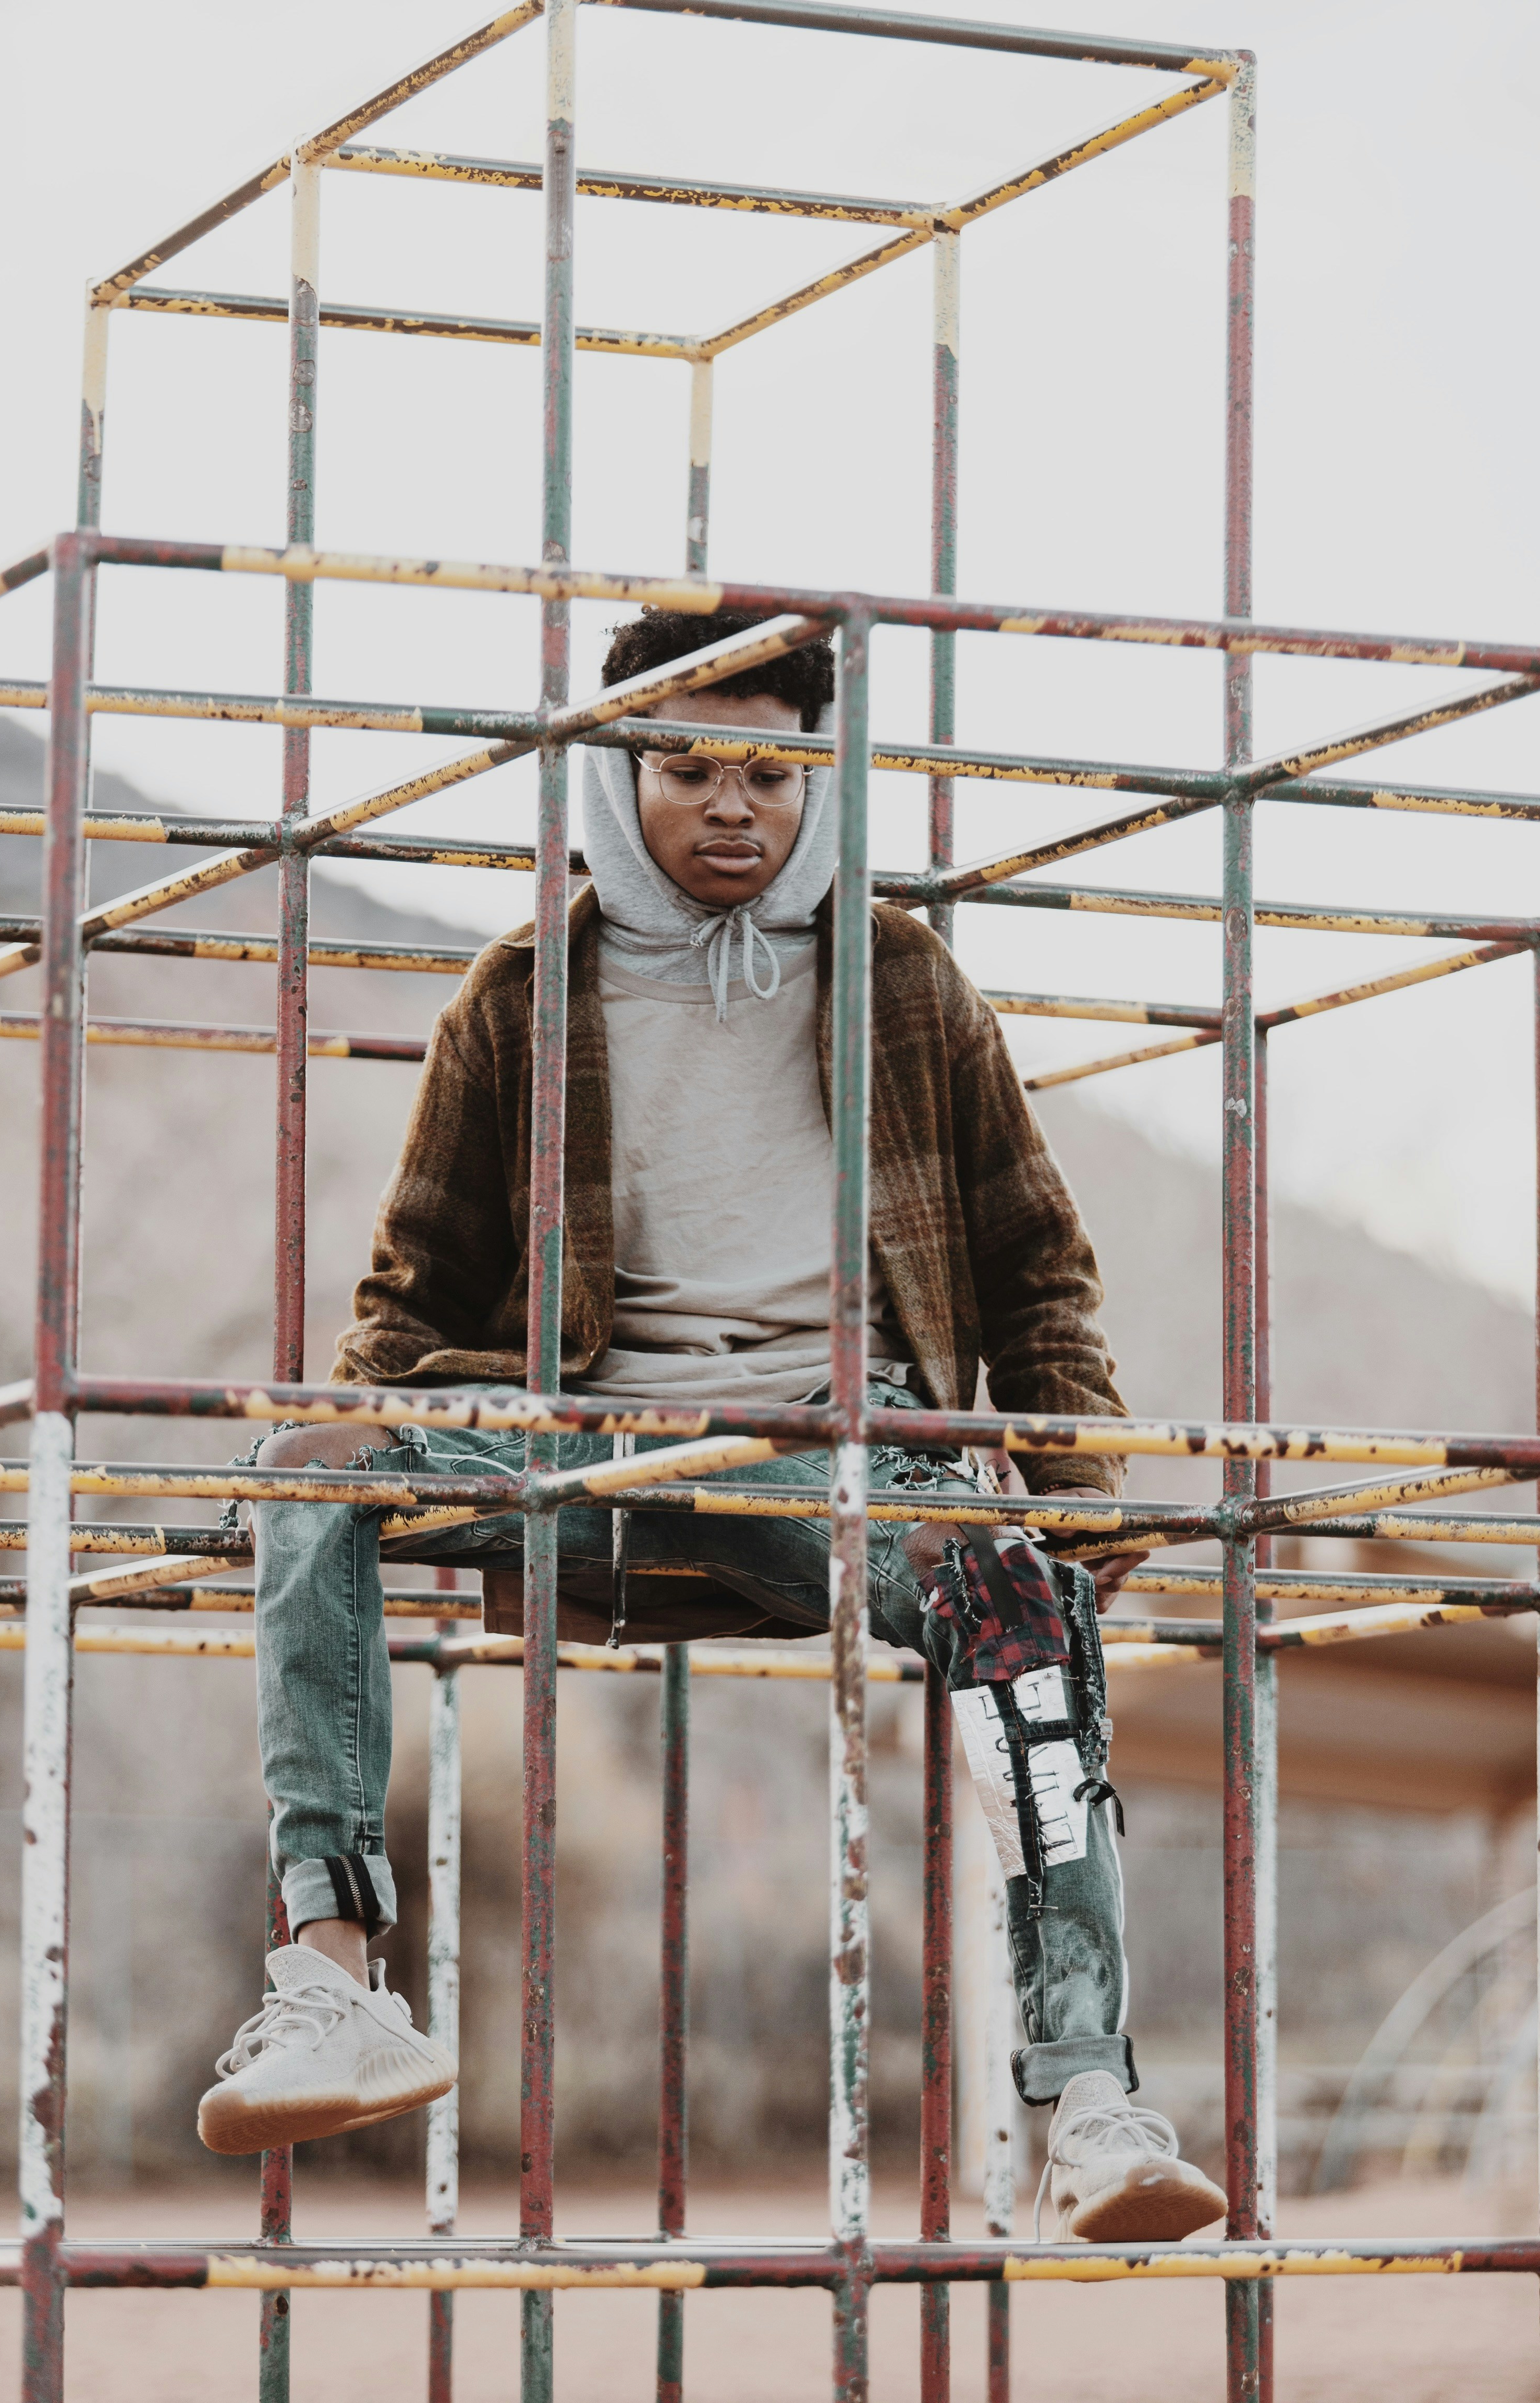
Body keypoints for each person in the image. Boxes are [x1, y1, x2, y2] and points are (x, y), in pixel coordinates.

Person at [197, 611, 1228, 2244]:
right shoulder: (529, 993)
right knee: (310, 1453)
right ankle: (335, 1981)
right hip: (587, 1444)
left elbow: (1038, 1259)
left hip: (842, 1457)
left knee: (1025, 1587)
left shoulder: (898, 981)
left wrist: (1079, 1481)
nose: (736, 804)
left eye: (777, 769)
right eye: (690, 767)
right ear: (622, 776)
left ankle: (1085, 2094)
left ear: (826, 781)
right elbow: (405, 1297)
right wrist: (342, 1474)